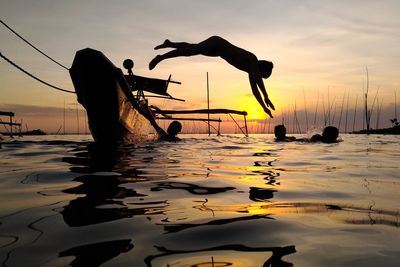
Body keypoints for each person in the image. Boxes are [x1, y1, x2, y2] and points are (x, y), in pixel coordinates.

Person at [149, 36, 275, 118]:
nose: (259, 77)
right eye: (262, 75)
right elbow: (258, 81)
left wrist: (263, 107)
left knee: (192, 47)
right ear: (261, 68)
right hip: (218, 43)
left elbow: (254, 91)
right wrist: (266, 96)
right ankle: (161, 57)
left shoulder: (250, 71)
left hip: (218, 51)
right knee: (189, 51)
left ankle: (170, 43)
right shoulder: (253, 59)